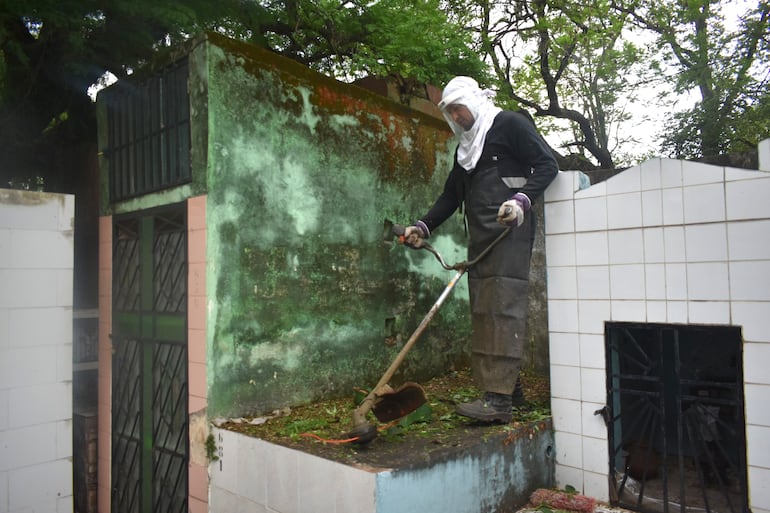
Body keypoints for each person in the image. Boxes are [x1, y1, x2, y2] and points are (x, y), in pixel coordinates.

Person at [403, 76, 558, 423]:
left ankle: (498, 402)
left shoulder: (509, 124)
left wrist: (521, 200)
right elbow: (450, 197)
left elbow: (547, 165)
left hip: (510, 231)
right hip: (481, 236)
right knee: (486, 309)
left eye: (458, 109)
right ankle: (511, 389)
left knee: (503, 305)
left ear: (472, 102)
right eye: (451, 113)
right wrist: (423, 226)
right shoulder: (466, 151)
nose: (456, 118)